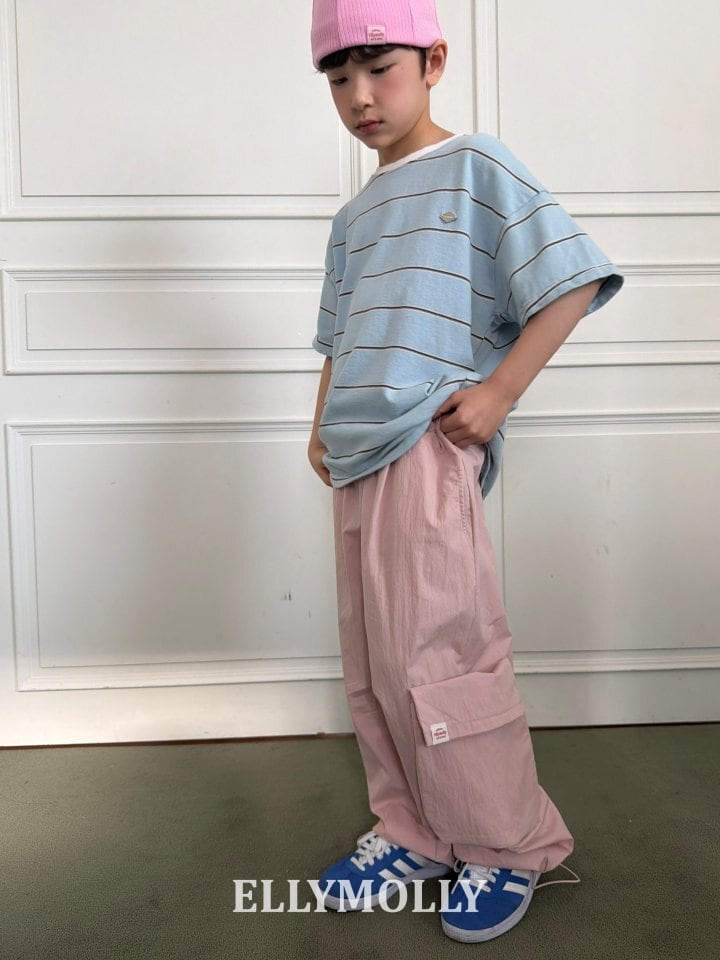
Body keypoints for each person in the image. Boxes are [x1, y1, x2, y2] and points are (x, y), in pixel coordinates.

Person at [307, 0, 623, 943]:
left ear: (434, 60)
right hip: (357, 454)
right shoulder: (354, 215)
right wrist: (319, 424)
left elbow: (572, 277)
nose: (360, 96)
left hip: (424, 445)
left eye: (380, 68)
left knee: (443, 654)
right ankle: (415, 830)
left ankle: (503, 843)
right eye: (339, 78)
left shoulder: (477, 165)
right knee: (375, 661)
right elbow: (338, 334)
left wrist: (499, 395)